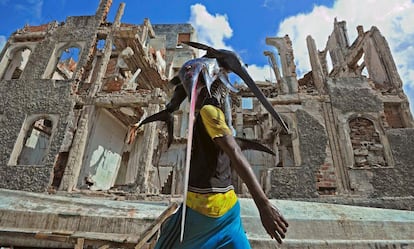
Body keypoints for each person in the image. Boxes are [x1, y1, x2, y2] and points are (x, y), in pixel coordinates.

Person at [152, 86, 288, 248]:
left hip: (206, 213)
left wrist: (263, 204)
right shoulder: (211, 121)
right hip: (224, 209)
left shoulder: (209, 111)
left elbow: (235, 151)